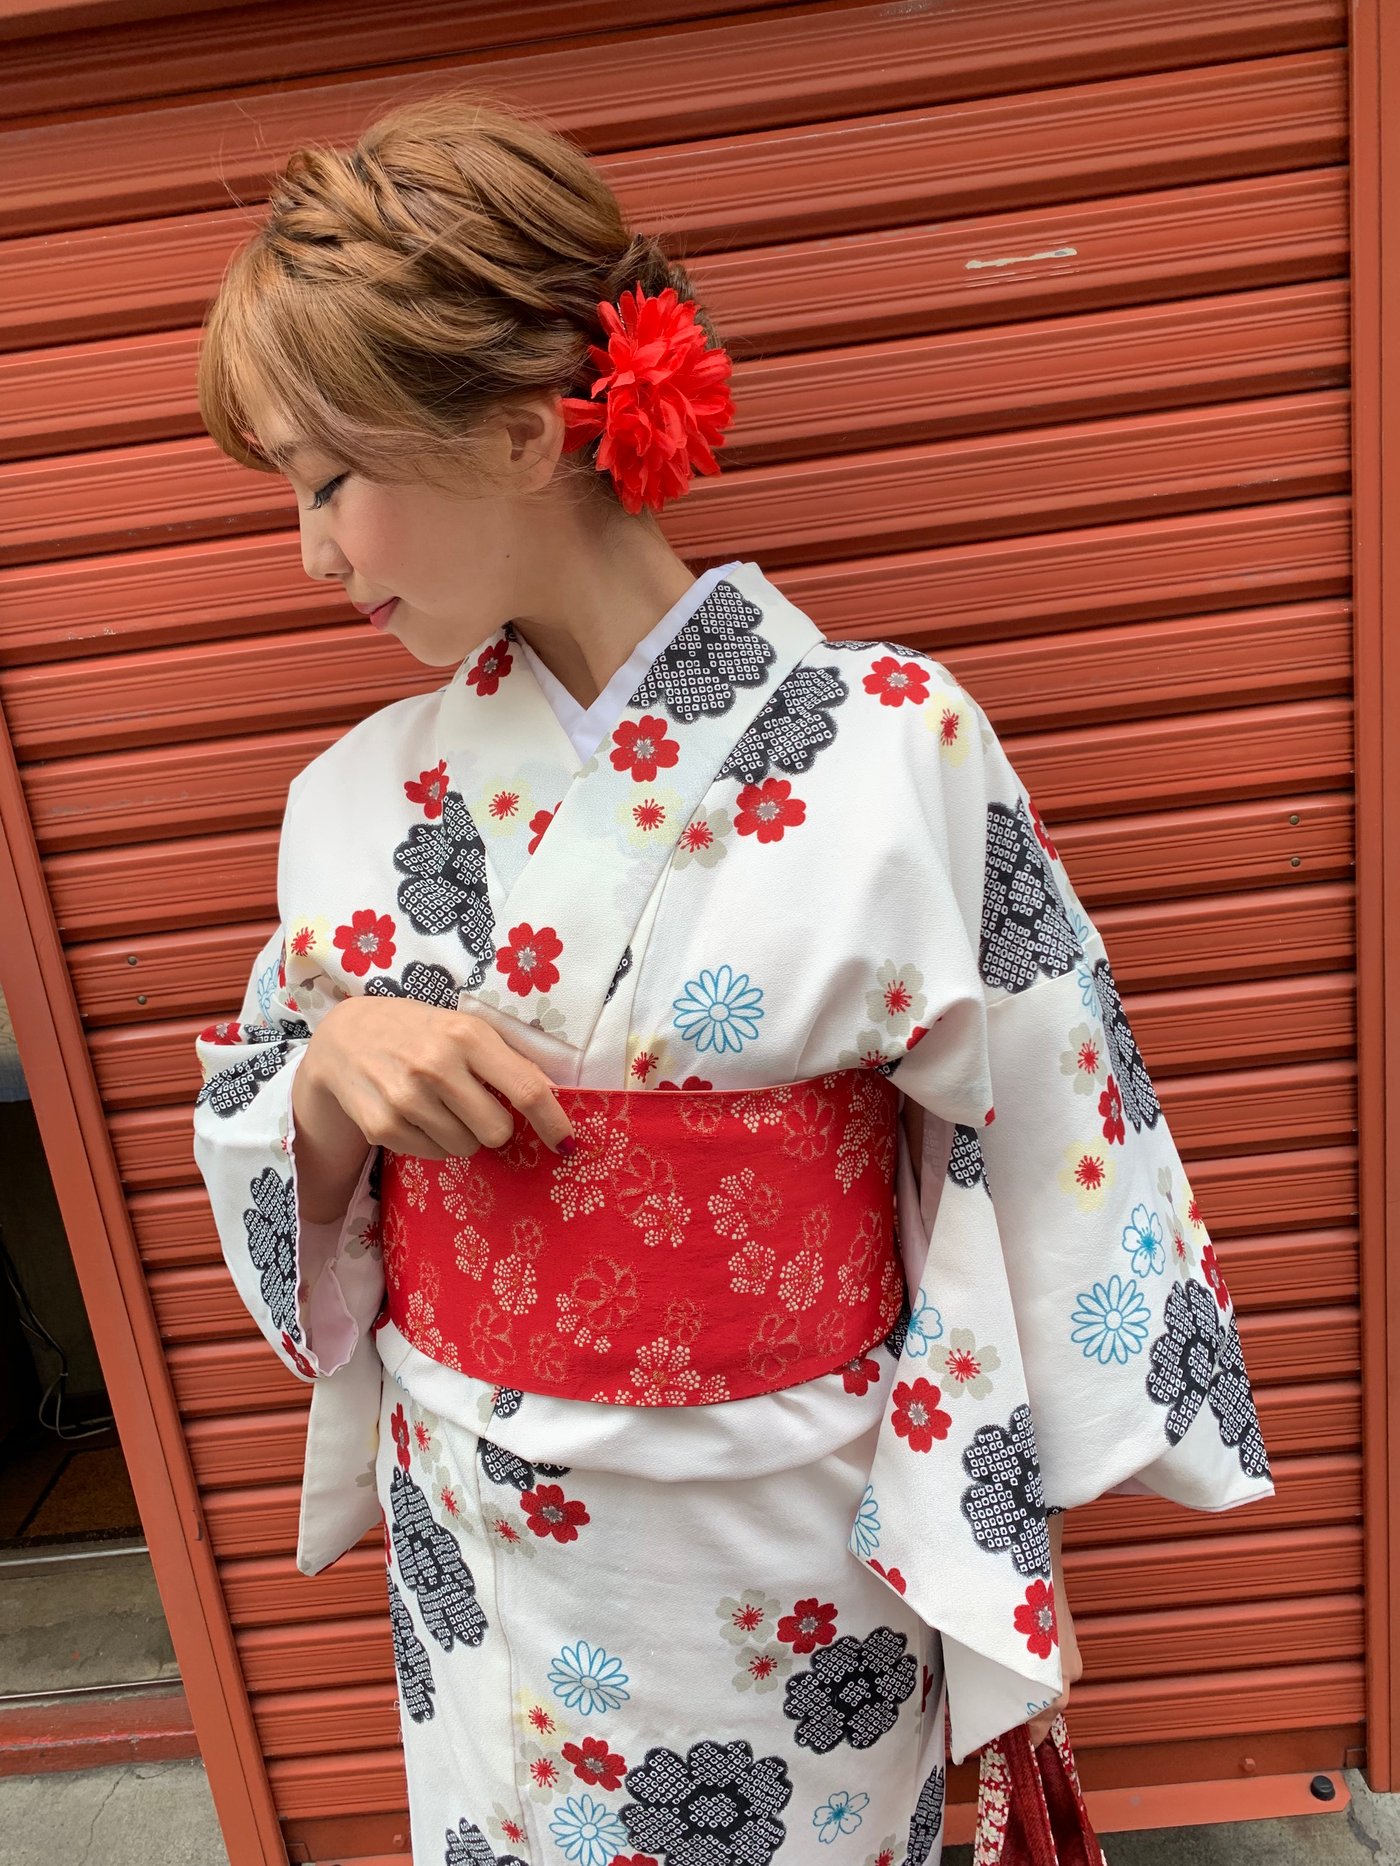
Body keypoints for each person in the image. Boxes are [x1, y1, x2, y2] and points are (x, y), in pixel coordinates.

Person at [191, 90, 1273, 1866]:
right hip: (484, 1556)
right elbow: (275, 1117)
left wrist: (1019, 1511)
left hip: (791, 1554)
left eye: (327, 483)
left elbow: (1047, 1130)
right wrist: (321, 1081)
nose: (309, 551)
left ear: (519, 434)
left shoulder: (891, 744)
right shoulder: (354, 801)